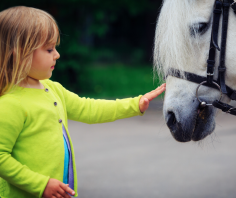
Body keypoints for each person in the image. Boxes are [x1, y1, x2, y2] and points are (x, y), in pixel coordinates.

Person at [0, 6, 166, 198]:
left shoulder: (52, 89)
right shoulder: (10, 104)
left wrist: (136, 104)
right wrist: (41, 184)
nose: (57, 55)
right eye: (49, 49)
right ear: (20, 53)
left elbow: (88, 109)